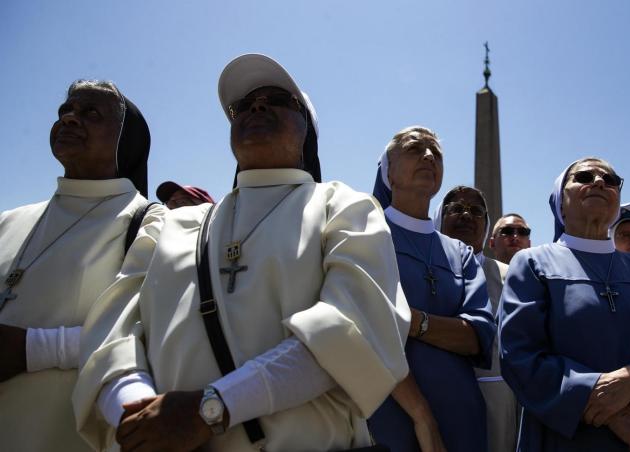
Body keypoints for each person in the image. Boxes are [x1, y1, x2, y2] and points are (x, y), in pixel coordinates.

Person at [72, 54, 410, 452]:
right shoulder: (168, 225)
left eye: (277, 100)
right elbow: (111, 334)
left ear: (308, 131)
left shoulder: (345, 207)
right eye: (243, 105)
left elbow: (351, 331)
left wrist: (211, 408)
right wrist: (141, 417)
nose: (257, 106)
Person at [499, 157, 630, 451]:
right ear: (560, 200)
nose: (598, 181)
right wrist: (612, 411)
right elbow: (520, 354)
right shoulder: (533, 263)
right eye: (583, 176)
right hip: (572, 437)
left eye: (609, 180)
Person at [0, 80, 163, 452]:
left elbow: (158, 331)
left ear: (127, 139)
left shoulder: (152, 224)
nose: (71, 119)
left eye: (90, 113)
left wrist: (31, 348)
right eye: (65, 111)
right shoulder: (8, 220)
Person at [369, 126, 496, 452]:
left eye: (435, 153)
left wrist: (411, 321)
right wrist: (421, 414)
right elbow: (363, 330)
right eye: (414, 148)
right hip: (384, 420)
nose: (428, 156)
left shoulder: (462, 254)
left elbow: (476, 336)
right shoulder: (364, 234)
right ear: (389, 171)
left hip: (463, 422)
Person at [433, 185, 519, 452]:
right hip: (434, 407)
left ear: (487, 224)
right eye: (456, 208)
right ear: (439, 218)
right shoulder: (419, 271)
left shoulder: (512, 277)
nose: (467, 215)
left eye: (476, 210)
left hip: (499, 415)